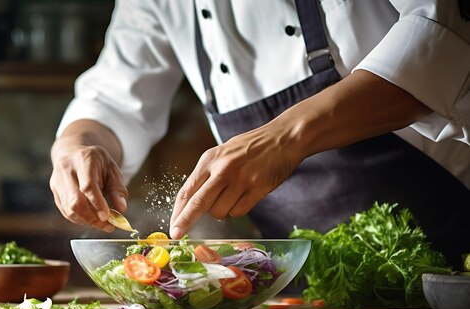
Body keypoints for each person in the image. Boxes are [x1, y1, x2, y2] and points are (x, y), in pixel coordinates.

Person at [50, 0, 470, 267]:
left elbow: (440, 42)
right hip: (311, 291)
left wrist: (286, 136)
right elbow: (112, 101)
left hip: (452, 261)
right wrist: (77, 146)